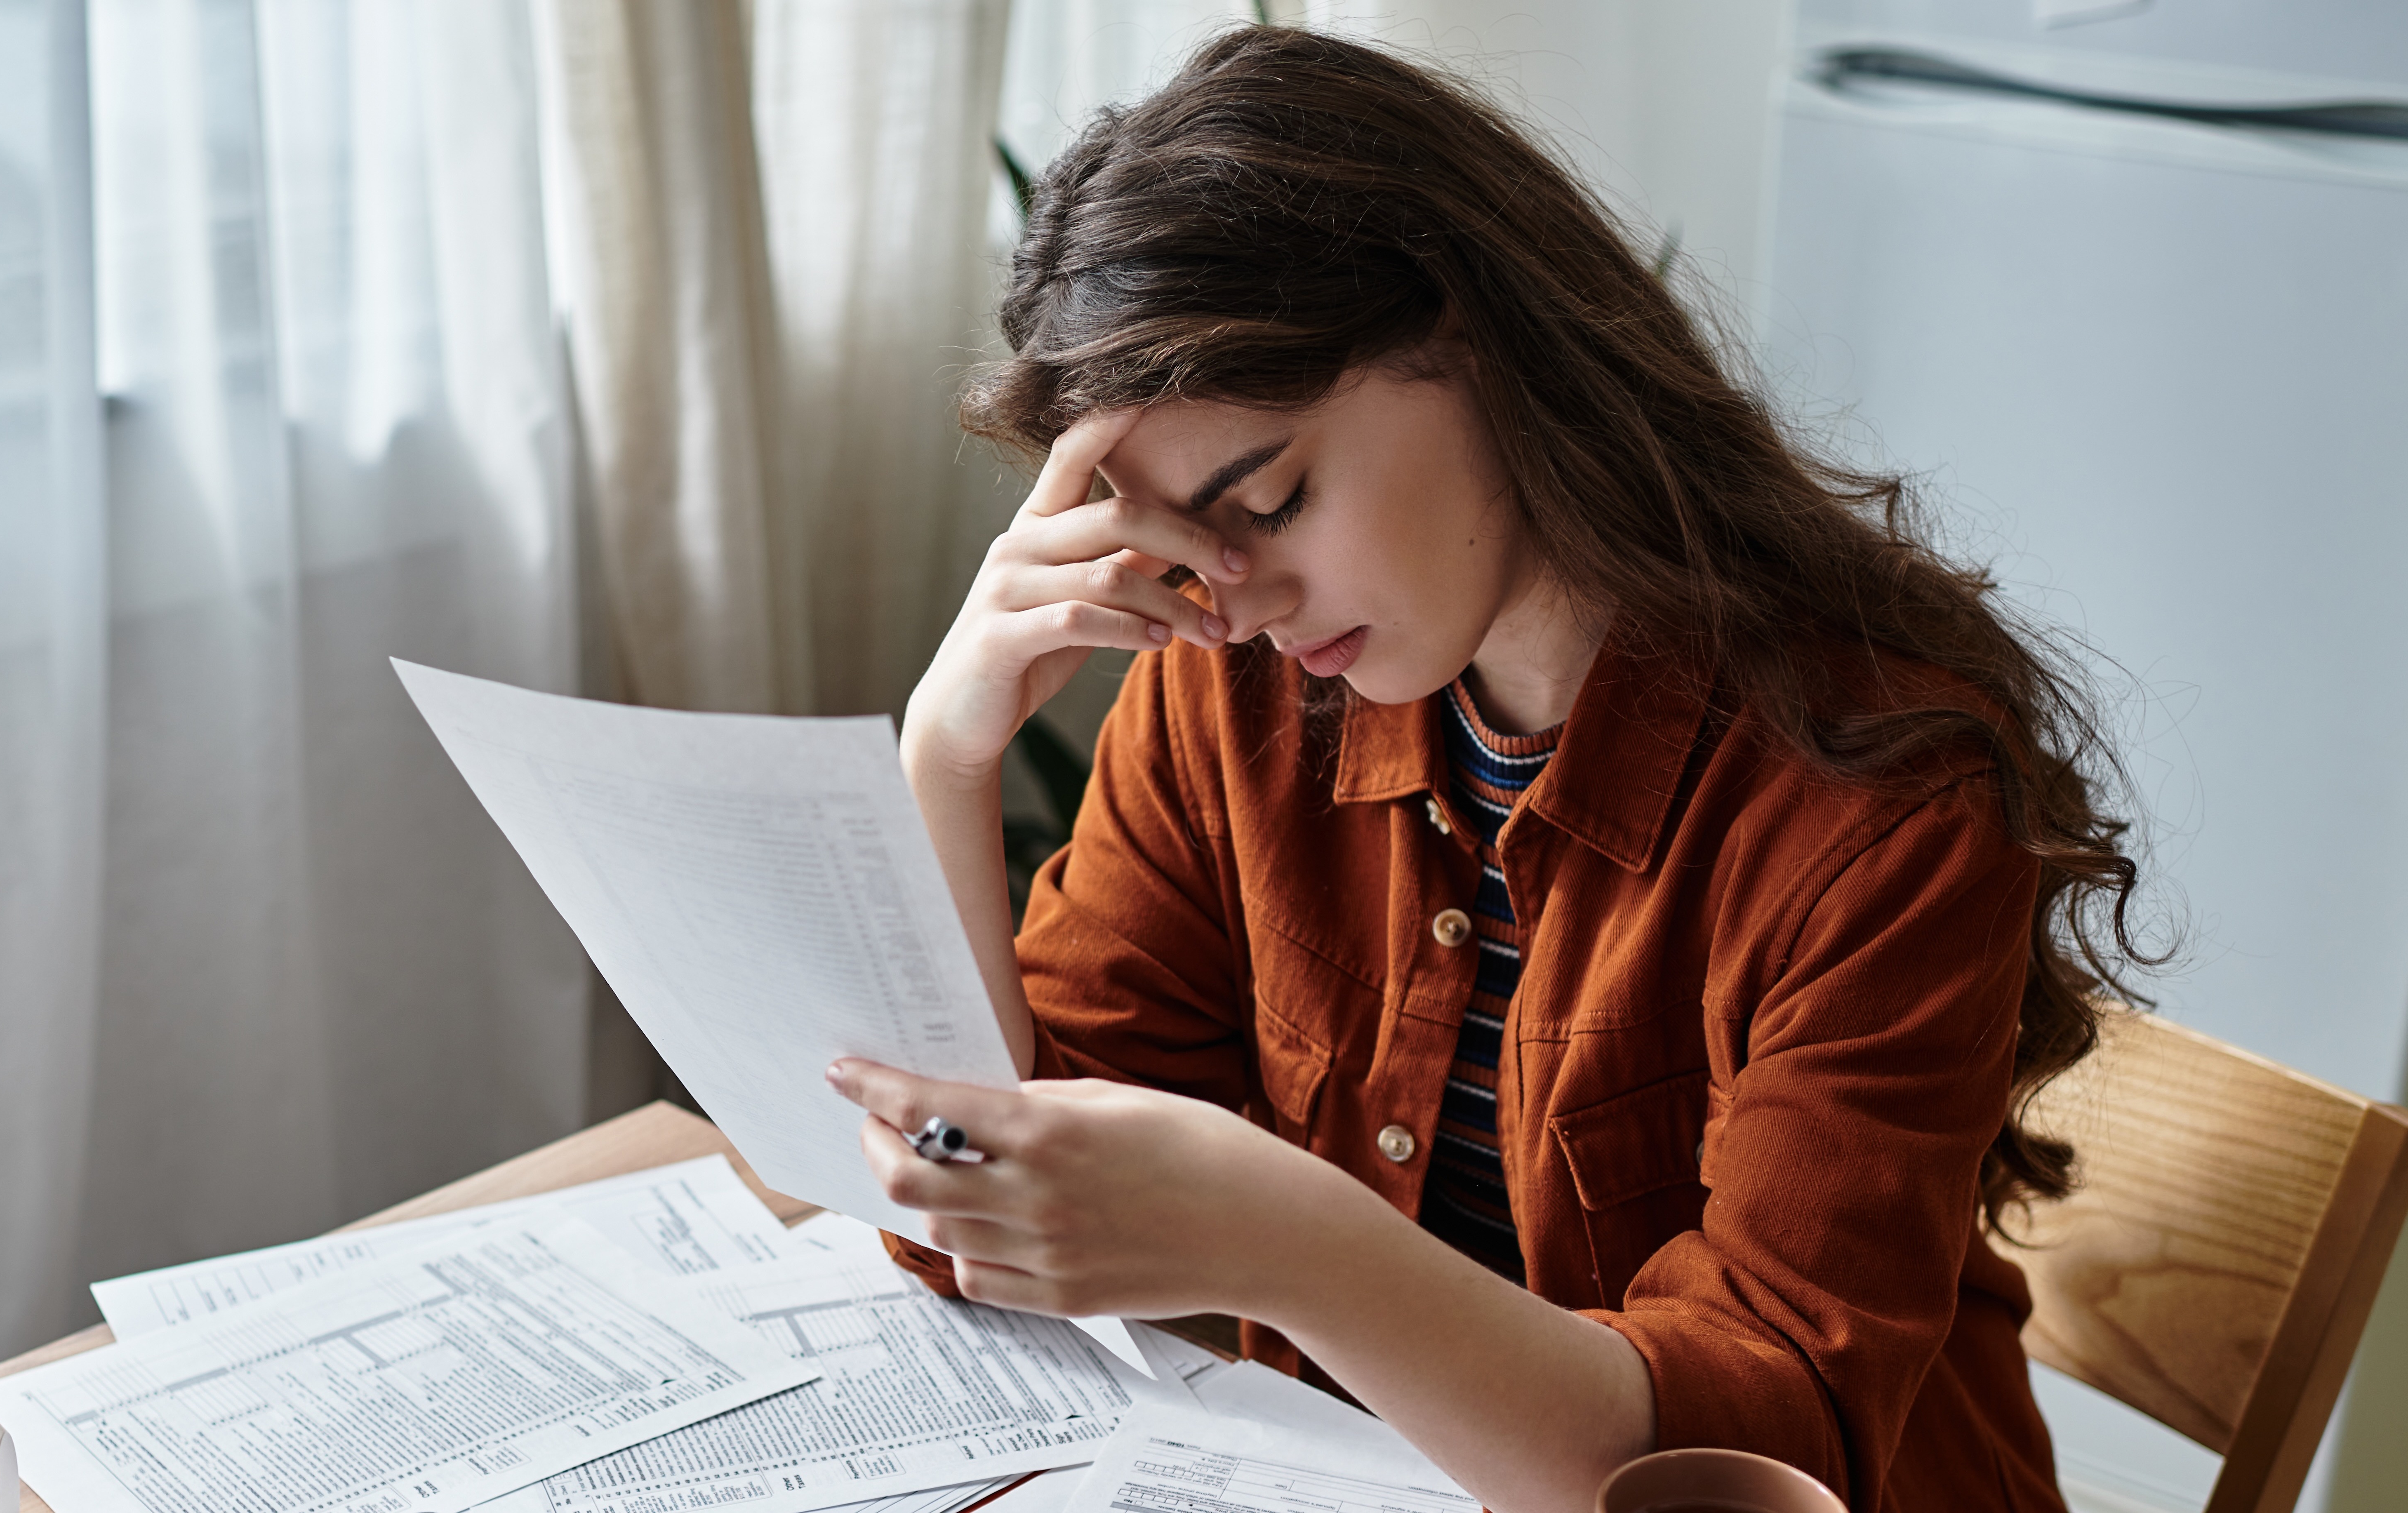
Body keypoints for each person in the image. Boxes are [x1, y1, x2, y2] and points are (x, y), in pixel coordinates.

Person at [824, 26, 2151, 1513]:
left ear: (1470, 341)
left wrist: (1290, 1244)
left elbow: (1760, 1457)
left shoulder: (1882, 793)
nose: (1235, 594)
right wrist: (947, 757)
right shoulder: (1236, 694)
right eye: (1183, 545)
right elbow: (986, 1233)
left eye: (1268, 498)